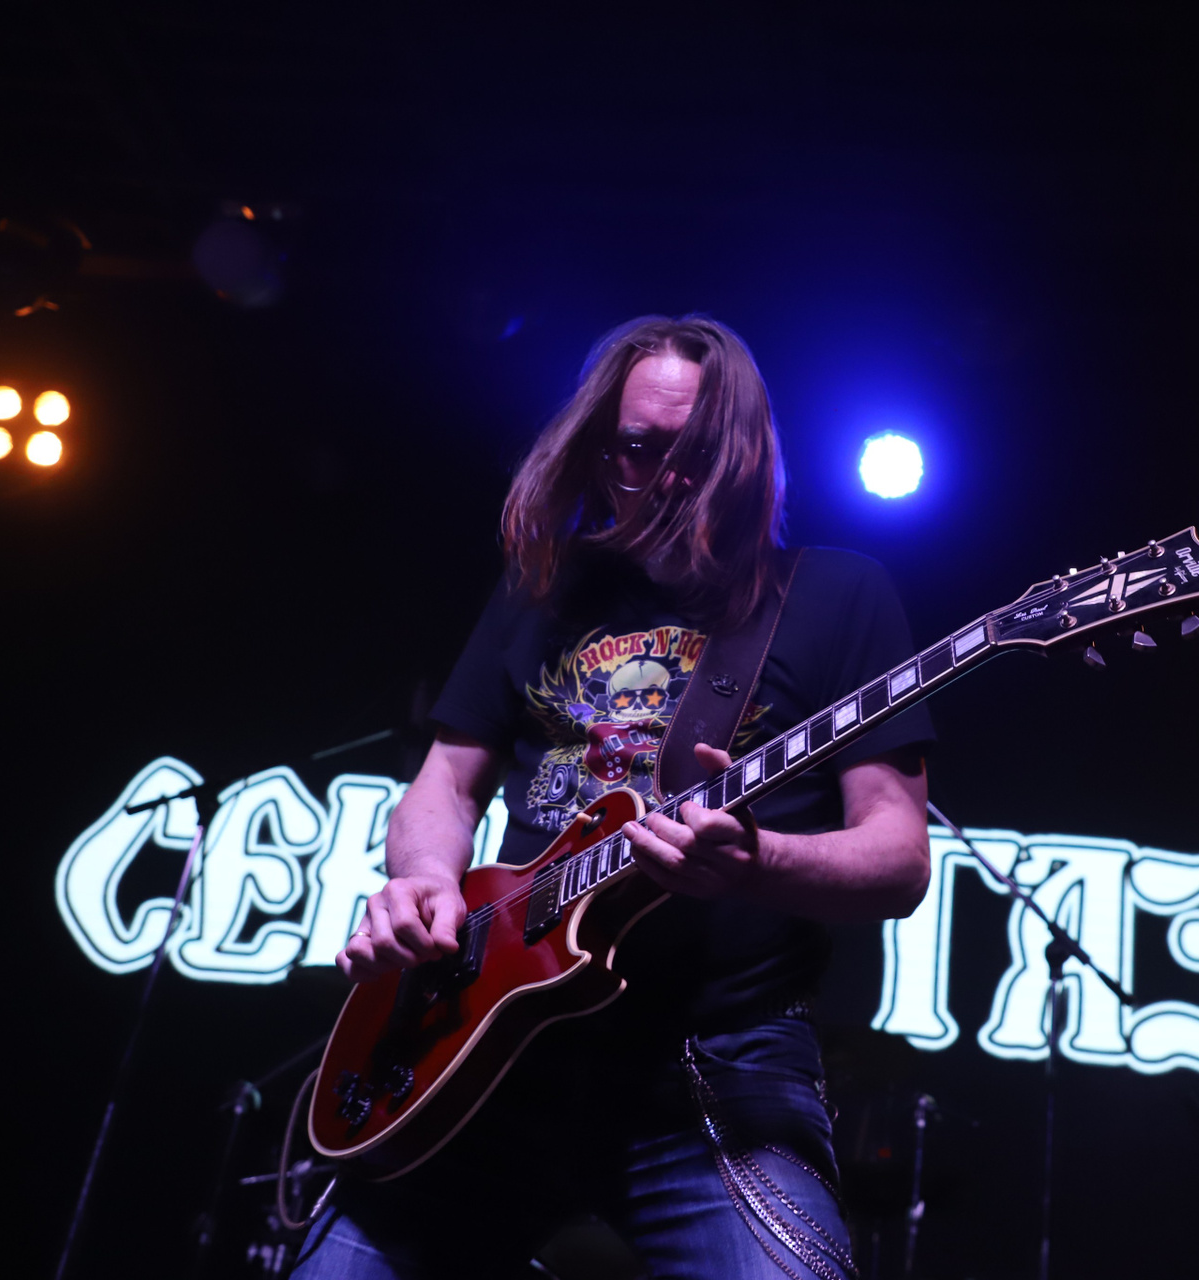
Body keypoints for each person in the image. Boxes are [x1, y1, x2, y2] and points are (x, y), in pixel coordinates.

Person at [295, 316, 935, 1279]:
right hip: (487, 1042)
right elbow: (446, 782)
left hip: (717, 1060)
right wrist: (423, 880)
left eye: (697, 453)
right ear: (599, 447)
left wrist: (756, 862)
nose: (669, 478)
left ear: (747, 455)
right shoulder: (544, 587)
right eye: (639, 448)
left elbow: (897, 855)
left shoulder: (840, 595)